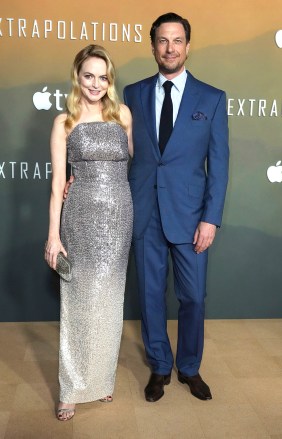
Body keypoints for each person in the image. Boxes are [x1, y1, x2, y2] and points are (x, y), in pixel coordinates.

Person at [123, 12, 229, 402]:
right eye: (163, 41)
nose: (170, 48)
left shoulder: (212, 98)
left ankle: (189, 367)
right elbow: (121, 151)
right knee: (151, 297)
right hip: (145, 211)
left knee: (193, 298)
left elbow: (219, 166)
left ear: (188, 45)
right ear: (153, 47)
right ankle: (159, 367)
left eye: (177, 40)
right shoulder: (132, 93)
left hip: (191, 217)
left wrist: (210, 219)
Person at [45, 44, 133, 421]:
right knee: (79, 302)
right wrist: (53, 236)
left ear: (109, 80)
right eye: (88, 76)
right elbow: (57, 184)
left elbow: (131, 164)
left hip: (119, 217)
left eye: (102, 76)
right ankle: (72, 387)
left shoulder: (123, 115)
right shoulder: (64, 121)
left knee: (110, 300)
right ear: (77, 77)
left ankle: (100, 380)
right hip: (80, 217)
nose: (95, 83)